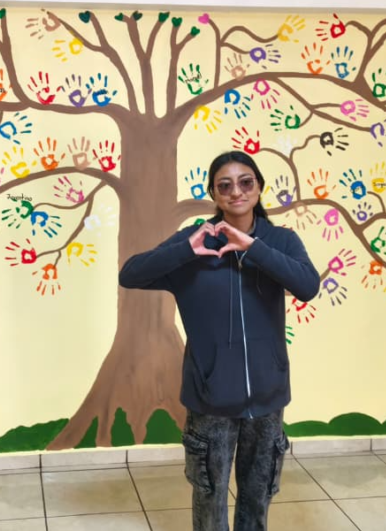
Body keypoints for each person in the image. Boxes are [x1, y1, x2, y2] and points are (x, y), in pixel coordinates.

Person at [119, 150, 320, 531]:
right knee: (210, 501)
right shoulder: (195, 242)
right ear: (213, 193)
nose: (236, 192)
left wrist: (253, 248)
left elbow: (308, 286)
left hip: (268, 398)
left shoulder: (280, 241)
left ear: (259, 187)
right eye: (224, 185)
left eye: (245, 182)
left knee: (257, 499)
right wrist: (186, 250)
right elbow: (130, 274)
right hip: (210, 400)